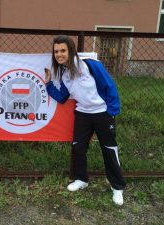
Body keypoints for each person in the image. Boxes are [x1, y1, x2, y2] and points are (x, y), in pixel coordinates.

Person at [44, 35, 126, 205]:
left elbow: (109, 86)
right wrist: (49, 84)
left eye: (63, 50)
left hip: (102, 113)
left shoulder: (90, 65)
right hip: (82, 114)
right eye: (56, 51)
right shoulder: (65, 74)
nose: (59, 54)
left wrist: (111, 112)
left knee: (109, 149)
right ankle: (81, 179)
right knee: (78, 147)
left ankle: (117, 187)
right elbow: (62, 97)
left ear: (71, 50)